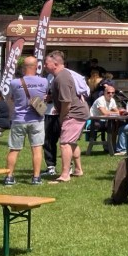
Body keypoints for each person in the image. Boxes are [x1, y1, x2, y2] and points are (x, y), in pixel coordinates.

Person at [45, 50, 89, 183]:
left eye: (46, 63)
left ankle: (65, 175)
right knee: (71, 142)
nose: (44, 66)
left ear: (56, 64)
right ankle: (78, 170)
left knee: (64, 144)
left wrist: (62, 117)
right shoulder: (61, 75)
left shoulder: (62, 77)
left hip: (73, 113)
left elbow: (66, 102)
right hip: (79, 111)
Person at [5, 57, 48, 186]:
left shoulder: (14, 83)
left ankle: (9, 177)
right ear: (36, 66)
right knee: (36, 149)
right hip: (36, 119)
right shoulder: (44, 81)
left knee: (14, 149)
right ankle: (36, 178)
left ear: (23, 67)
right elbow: (44, 96)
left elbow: (11, 98)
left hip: (18, 119)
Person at [91, 80, 125, 153]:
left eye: (112, 93)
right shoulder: (100, 100)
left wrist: (118, 112)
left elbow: (117, 111)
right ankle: (110, 146)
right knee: (113, 125)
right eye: (108, 92)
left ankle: (112, 146)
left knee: (117, 124)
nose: (110, 94)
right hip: (95, 121)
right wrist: (116, 112)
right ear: (104, 92)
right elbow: (105, 112)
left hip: (105, 120)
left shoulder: (112, 100)